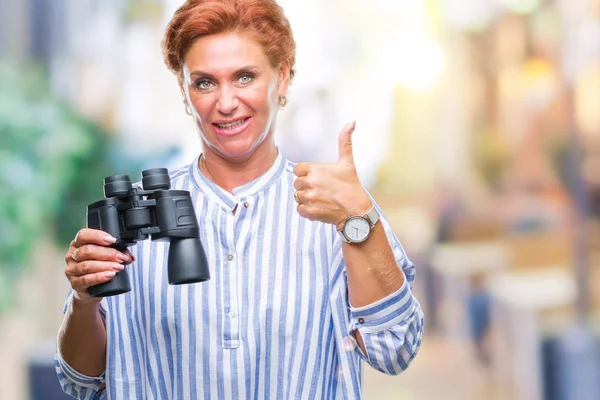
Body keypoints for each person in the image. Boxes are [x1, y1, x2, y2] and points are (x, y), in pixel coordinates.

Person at [54, 0, 424, 398]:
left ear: (282, 78)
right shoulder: (139, 217)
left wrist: (359, 221)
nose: (226, 103)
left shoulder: (336, 207)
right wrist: (83, 299)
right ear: (184, 90)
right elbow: (81, 383)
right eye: (205, 82)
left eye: (244, 77)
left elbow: (395, 352)